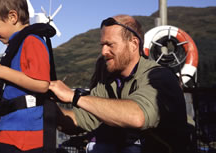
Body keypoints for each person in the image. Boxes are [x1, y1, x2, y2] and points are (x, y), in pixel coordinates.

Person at [49, 15, 189, 153]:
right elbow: (80, 120)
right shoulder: (110, 82)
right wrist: (47, 107)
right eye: (102, 45)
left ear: (134, 44)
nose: (103, 52)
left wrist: (74, 97)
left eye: (109, 45)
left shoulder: (159, 78)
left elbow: (137, 116)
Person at [0, 0, 56, 153]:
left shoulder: (32, 41)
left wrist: (1, 71)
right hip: (9, 132)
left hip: (24, 138)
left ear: (12, 17)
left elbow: (42, 84)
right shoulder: (16, 45)